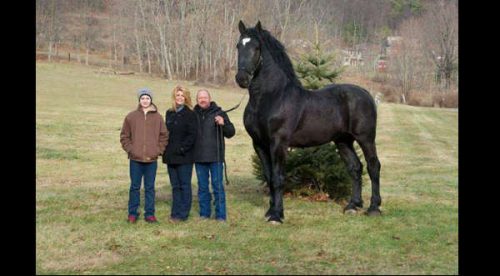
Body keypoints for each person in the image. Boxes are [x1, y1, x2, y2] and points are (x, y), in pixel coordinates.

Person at [120, 88, 168, 223]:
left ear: (151, 100)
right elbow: (124, 136)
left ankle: (150, 214)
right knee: (135, 187)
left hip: (151, 159)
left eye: (147, 98)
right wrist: (131, 149)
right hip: (135, 159)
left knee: (150, 187)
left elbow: (164, 136)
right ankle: (132, 213)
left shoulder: (158, 117)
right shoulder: (131, 116)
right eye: (142, 98)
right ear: (139, 100)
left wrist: (158, 150)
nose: (145, 100)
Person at [193, 89, 235, 221]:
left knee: (217, 186)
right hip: (199, 157)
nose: (202, 100)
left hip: (215, 157)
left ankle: (221, 215)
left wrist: (223, 124)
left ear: (209, 99)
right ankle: (204, 214)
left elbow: (231, 132)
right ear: (197, 100)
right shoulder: (193, 114)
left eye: (205, 97)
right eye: (200, 98)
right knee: (202, 187)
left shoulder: (219, 113)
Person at [162, 85, 198, 222]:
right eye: (178, 95)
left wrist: (182, 149)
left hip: (184, 157)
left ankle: (183, 214)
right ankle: (174, 213)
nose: (180, 98)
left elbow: (192, 135)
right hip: (170, 156)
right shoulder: (169, 113)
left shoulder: (191, 114)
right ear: (174, 97)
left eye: (182, 95)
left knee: (184, 185)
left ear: (186, 97)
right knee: (175, 186)